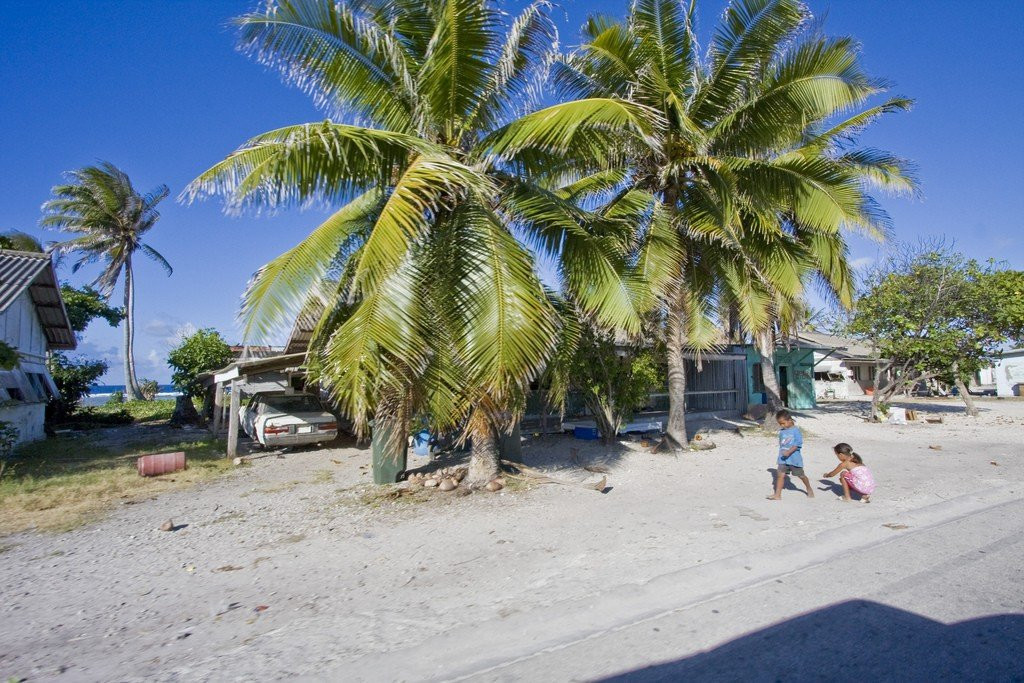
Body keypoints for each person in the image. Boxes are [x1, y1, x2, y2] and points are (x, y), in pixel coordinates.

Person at [768, 409, 814, 500]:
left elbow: (797, 444)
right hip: (783, 458)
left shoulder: (796, 431)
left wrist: (789, 452)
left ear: (790, 420)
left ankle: (809, 488)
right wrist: (782, 453)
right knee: (780, 475)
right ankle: (777, 495)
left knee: (800, 475)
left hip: (794, 459)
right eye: (780, 424)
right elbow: (782, 444)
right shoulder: (782, 431)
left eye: (783, 423)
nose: (781, 425)